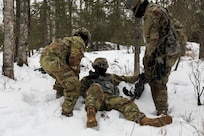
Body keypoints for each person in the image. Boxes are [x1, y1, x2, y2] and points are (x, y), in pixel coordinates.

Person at [126, 0, 187, 115]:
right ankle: (162, 108)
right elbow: (178, 27)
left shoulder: (150, 14)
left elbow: (152, 41)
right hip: (172, 49)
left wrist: (148, 59)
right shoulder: (157, 8)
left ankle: (162, 111)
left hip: (165, 51)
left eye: (133, 9)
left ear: (137, 5)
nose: (133, 12)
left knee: (155, 79)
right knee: (161, 79)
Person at [81, 57, 172, 128]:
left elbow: (126, 78)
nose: (103, 68)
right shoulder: (87, 78)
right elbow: (78, 90)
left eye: (105, 66)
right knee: (96, 87)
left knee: (126, 103)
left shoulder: (110, 77)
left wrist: (139, 76)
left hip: (110, 99)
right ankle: (91, 116)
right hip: (95, 100)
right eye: (101, 65)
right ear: (96, 66)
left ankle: (144, 120)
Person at [40, 27, 91, 117]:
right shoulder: (78, 41)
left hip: (44, 60)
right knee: (74, 85)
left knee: (64, 75)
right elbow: (74, 60)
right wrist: (75, 77)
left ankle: (59, 95)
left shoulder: (68, 40)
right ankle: (66, 112)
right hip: (54, 61)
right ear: (86, 38)